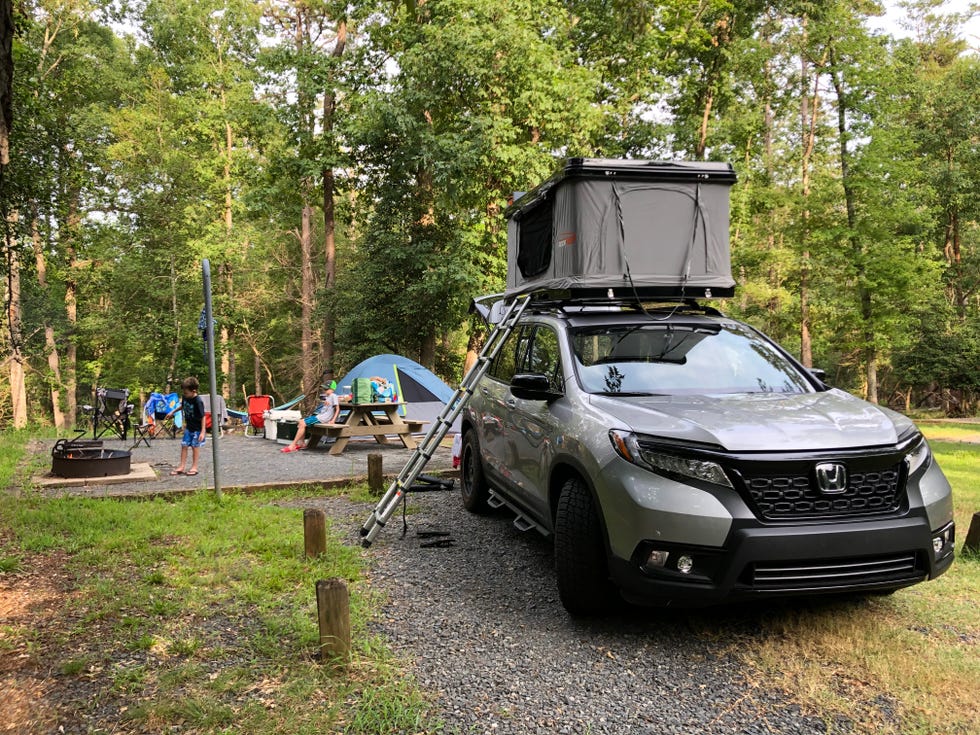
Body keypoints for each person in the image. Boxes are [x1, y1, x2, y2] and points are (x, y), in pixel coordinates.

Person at [281, 385, 340, 453]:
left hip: (323, 418)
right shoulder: (327, 396)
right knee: (301, 421)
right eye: (324, 389)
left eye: (327, 389)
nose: (325, 390)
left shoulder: (334, 396)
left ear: (332, 389)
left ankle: (293, 445)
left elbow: (337, 409)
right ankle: (301, 443)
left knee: (302, 423)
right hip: (320, 416)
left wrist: (333, 420)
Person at [166, 377, 206, 476]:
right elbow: (183, 406)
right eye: (184, 393)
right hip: (189, 427)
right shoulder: (185, 397)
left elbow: (203, 416)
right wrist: (172, 412)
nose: (185, 395)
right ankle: (182, 466)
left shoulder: (198, 401)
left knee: (194, 446)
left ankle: (194, 467)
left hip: (197, 429)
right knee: (184, 445)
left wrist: (203, 431)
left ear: (194, 391)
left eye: (186, 393)